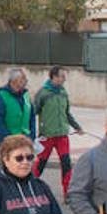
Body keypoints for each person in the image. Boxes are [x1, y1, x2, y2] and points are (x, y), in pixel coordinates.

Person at [33, 66, 83, 198]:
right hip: (47, 136)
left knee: (66, 164)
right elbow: (32, 113)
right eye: (61, 76)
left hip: (62, 136)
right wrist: (31, 133)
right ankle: (28, 187)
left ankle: (68, 193)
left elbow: (66, 113)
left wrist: (77, 127)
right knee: (40, 164)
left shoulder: (63, 93)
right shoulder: (42, 94)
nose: (64, 78)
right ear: (53, 77)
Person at [0, 68, 38, 154]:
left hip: (25, 142)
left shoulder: (26, 96)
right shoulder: (1, 96)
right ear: (14, 81)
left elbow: (32, 117)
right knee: (5, 167)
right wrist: (9, 138)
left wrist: (32, 136)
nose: (26, 81)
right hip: (7, 144)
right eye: (23, 79)